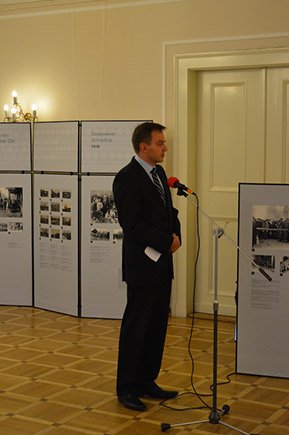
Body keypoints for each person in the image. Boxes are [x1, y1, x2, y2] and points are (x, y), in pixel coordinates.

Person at [112, 122, 182, 412]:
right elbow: (132, 224)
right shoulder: (126, 178)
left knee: (156, 326)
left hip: (162, 264)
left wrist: (176, 235)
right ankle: (127, 388)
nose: (165, 148)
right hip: (142, 266)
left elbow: (169, 211)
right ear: (144, 147)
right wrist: (166, 241)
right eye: (160, 143)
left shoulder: (159, 173)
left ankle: (146, 381)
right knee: (136, 327)